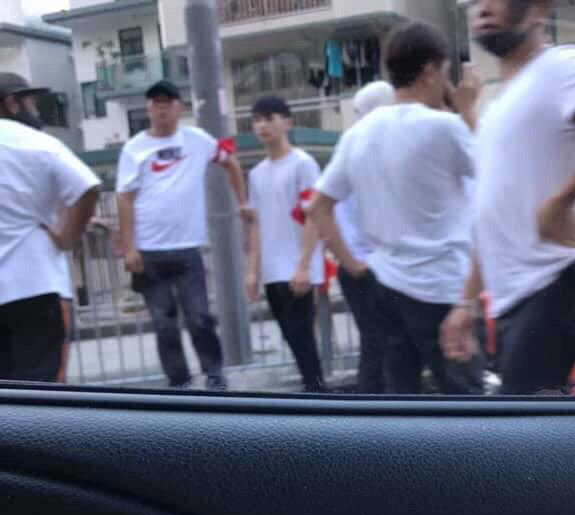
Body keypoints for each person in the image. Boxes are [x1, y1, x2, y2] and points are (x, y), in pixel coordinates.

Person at [441, 0, 575, 395]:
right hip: (514, 304)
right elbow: (488, 213)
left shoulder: (564, 67)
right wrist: (466, 303)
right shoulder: (498, 106)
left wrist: (562, 200)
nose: (482, 7)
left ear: (538, 8)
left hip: (555, 287)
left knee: (525, 431)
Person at [308, 22, 481, 395]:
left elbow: (318, 206)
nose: (446, 85)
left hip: (384, 286)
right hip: (442, 289)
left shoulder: (357, 135)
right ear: (430, 71)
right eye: (445, 73)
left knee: (401, 403)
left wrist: (353, 266)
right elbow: (496, 180)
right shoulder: (444, 127)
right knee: (470, 407)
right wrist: (467, 109)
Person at [116, 79, 248, 390]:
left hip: (188, 248)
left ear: (180, 108)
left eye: (168, 102)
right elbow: (124, 197)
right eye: (155, 103)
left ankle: (214, 375)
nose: (162, 108)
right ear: (147, 109)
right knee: (164, 324)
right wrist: (129, 247)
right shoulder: (134, 148)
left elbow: (229, 161)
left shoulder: (197, 140)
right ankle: (179, 382)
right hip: (149, 251)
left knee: (199, 317)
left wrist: (242, 202)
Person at [0, 72, 100, 382]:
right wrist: (67, 237)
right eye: (30, 101)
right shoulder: (37, 143)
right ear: (12, 103)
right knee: (42, 395)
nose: (35, 109)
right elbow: (87, 187)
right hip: (36, 283)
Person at [245, 95, 326, 394]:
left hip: (297, 268)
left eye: (269, 118)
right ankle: (313, 392)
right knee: (292, 337)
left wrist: (304, 265)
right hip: (272, 269)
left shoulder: (303, 164)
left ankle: (317, 395)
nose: (262, 125)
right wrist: (252, 271)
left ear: (287, 122)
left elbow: (314, 216)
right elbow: (256, 223)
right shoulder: (256, 173)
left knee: (301, 336)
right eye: (257, 120)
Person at [334, 81, 395, 393]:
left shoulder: (354, 146)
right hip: (367, 264)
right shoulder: (364, 149)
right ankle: (373, 402)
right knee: (379, 341)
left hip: (362, 263)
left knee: (380, 341)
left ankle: (374, 401)